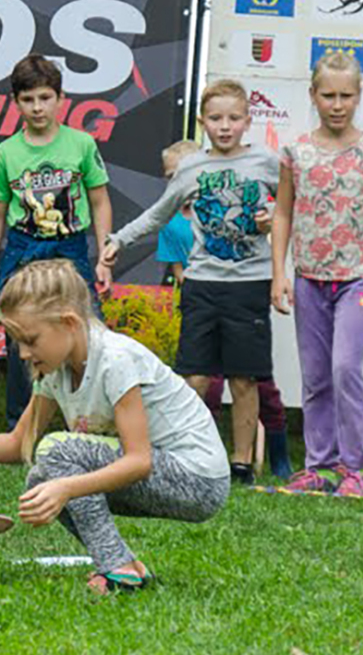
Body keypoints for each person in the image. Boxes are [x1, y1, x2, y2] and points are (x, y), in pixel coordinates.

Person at [0, 260, 228, 594]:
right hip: (161, 475)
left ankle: (117, 569)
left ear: (69, 323)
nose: (23, 353)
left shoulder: (115, 360)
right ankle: (126, 567)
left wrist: (68, 488)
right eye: (17, 342)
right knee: (42, 478)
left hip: (198, 479)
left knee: (57, 454)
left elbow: (139, 461)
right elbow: (19, 445)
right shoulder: (54, 370)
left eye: (30, 340)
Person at [100, 80, 281, 485]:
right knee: (194, 377)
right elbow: (158, 213)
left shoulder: (266, 162)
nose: (225, 126)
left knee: (244, 378)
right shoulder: (191, 168)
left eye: (233, 118)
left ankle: (241, 464)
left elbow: (292, 204)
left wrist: (273, 216)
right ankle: (184, 455)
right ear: (202, 122)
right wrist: (119, 240)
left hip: (250, 284)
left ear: (247, 120)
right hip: (202, 285)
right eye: (216, 118)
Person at [271, 51, 363, 497]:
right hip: (309, 277)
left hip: (359, 277)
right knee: (315, 375)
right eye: (328, 95)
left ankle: (355, 467)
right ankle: (320, 465)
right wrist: (279, 273)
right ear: (313, 95)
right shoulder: (296, 151)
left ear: (359, 96)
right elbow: (283, 213)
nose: (337, 105)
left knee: (346, 367)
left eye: (346, 95)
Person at [0, 54, 112, 427]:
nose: (37, 107)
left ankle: (91, 422)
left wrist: (104, 257)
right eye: (28, 99)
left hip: (70, 249)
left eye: (45, 97)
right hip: (24, 250)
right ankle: (19, 428)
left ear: (60, 98)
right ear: (15, 102)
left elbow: (100, 201)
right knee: (20, 337)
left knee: (89, 334)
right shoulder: (5, 153)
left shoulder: (81, 144)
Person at [154, 141, 202, 287]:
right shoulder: (169, 221)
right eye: (170, 177)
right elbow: (178, 269)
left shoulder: (222, 210)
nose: (175, 183)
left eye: (180, 175)